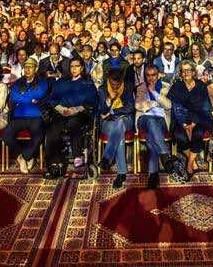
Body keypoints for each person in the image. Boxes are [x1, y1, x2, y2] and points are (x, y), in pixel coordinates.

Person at [42, 56, 96, 179]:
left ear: (82, 68)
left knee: (73, 123)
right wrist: (61, 109)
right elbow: (52, 99)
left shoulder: (87, 82)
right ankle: (55, 163)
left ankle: (78, 154)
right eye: (72, 66)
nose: (74, 69)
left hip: (79, 112)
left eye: (77, 66)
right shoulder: (61, 82)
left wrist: (75, 109)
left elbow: (92, 101)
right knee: (53, 128)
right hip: (61, 111)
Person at [167, 59, 212, 180]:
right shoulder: (177, 85)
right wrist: (183, 123)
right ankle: (193, 162)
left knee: (197, 133)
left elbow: (205, 106)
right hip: (181, 118)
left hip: (199, 118)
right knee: (179, 135)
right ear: (181, 73)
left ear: (193, 72)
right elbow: (174, 106)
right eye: (183, 71)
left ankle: (189, 164)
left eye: (189, 70)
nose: (186, 73)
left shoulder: (201, 86)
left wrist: (193, 123)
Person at [3, 57, 49, 174]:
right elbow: (14, 97)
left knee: (38, 135)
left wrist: (23, 97)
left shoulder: (42, 81)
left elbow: (39, 94)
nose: (27, 69)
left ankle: (25, 156)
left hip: (36, 115)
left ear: (36, 68)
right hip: (19, 115)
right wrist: (30, 98)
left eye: (31, 67)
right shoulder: (18, 82)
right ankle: (23, 156)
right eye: (25, 67)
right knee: (6, 135)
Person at [97, 60, 134, 188]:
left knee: (119, 124)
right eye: (112, 84)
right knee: (119, 136)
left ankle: (107, 158)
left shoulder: (127, 86)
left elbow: (130, 107)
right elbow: (102, 112)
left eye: (118, 85)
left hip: (126, 120)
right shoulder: (102, 90)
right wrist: (109, 100)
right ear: (108, 79)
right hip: (108, 124)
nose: (115, 87)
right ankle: (121, 173)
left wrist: (112, 111)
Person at [135, 63, 172, 188]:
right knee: (151, 122)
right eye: (148, 75)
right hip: (144, 120)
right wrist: (154, 103)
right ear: (145, 76)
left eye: (153, 75)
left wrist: (154, 93)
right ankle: (165, 155)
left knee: (153, 136)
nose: (151, 78)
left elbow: (168, 105)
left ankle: (154, 174)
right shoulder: (141, 87)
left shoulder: (166, 87)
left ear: (158, 75)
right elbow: (138, 106)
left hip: (161, 121)